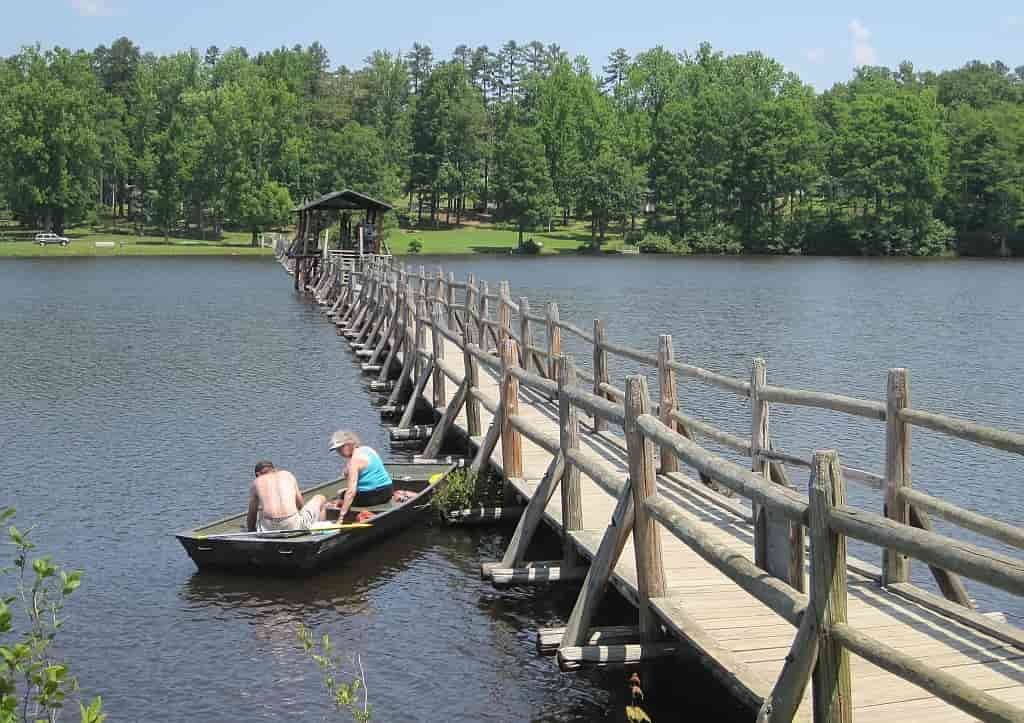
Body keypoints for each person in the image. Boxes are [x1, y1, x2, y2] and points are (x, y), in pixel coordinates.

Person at [329, 430, 393, 519]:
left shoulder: (354, 461)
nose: (339, 452)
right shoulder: (367, 449)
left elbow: (351, 492)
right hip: (388, 491)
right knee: (343, 492)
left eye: (341, 448)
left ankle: (344, 511)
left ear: (349, 444)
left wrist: (341, 516)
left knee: (341, 494)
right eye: (337, 450)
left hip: (373, 497)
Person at [245, 460, 325, 532]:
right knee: (320, 497)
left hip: (268, 530)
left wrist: (251, 530)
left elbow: (252, 514)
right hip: (293, 526)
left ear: (258, 474)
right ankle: (318, 531)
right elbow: (300, 505)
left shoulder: (256, 482)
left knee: (260, 511)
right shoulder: (288, 475)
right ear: (275, 469)